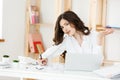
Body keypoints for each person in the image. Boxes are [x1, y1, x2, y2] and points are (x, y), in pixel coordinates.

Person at [39, 10, 114, 66]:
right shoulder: (66, 39)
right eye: (62, 27)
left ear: (74, 22)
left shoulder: (92, 35)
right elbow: (53, 50)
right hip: (74, 75)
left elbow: (98, 61)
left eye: (66, 24)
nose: (65, 29)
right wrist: (42, 58)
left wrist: (99, 38)